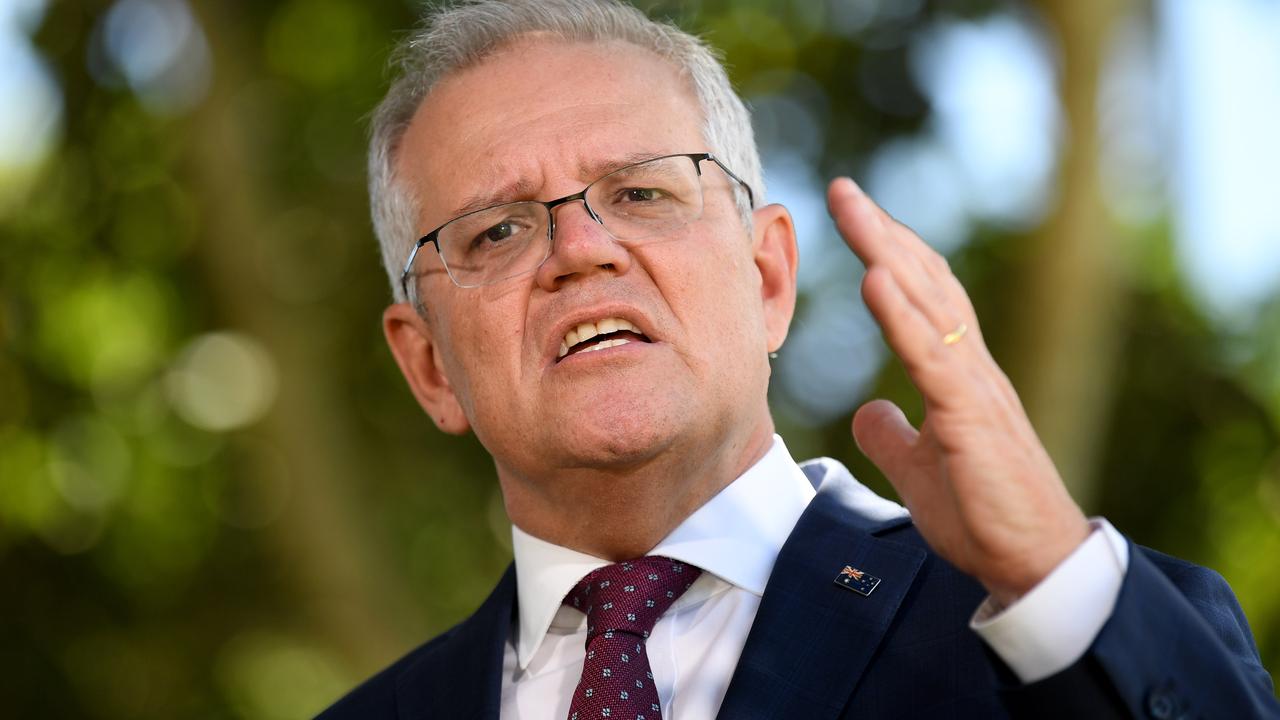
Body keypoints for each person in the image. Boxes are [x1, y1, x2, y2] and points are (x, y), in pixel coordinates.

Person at [320, 1, 1278, 717]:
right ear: (430, 368)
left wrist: (1054, 579)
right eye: (496, 231)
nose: (581, 249)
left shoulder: (1054, 625)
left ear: (770, 277)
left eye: (643, 193)